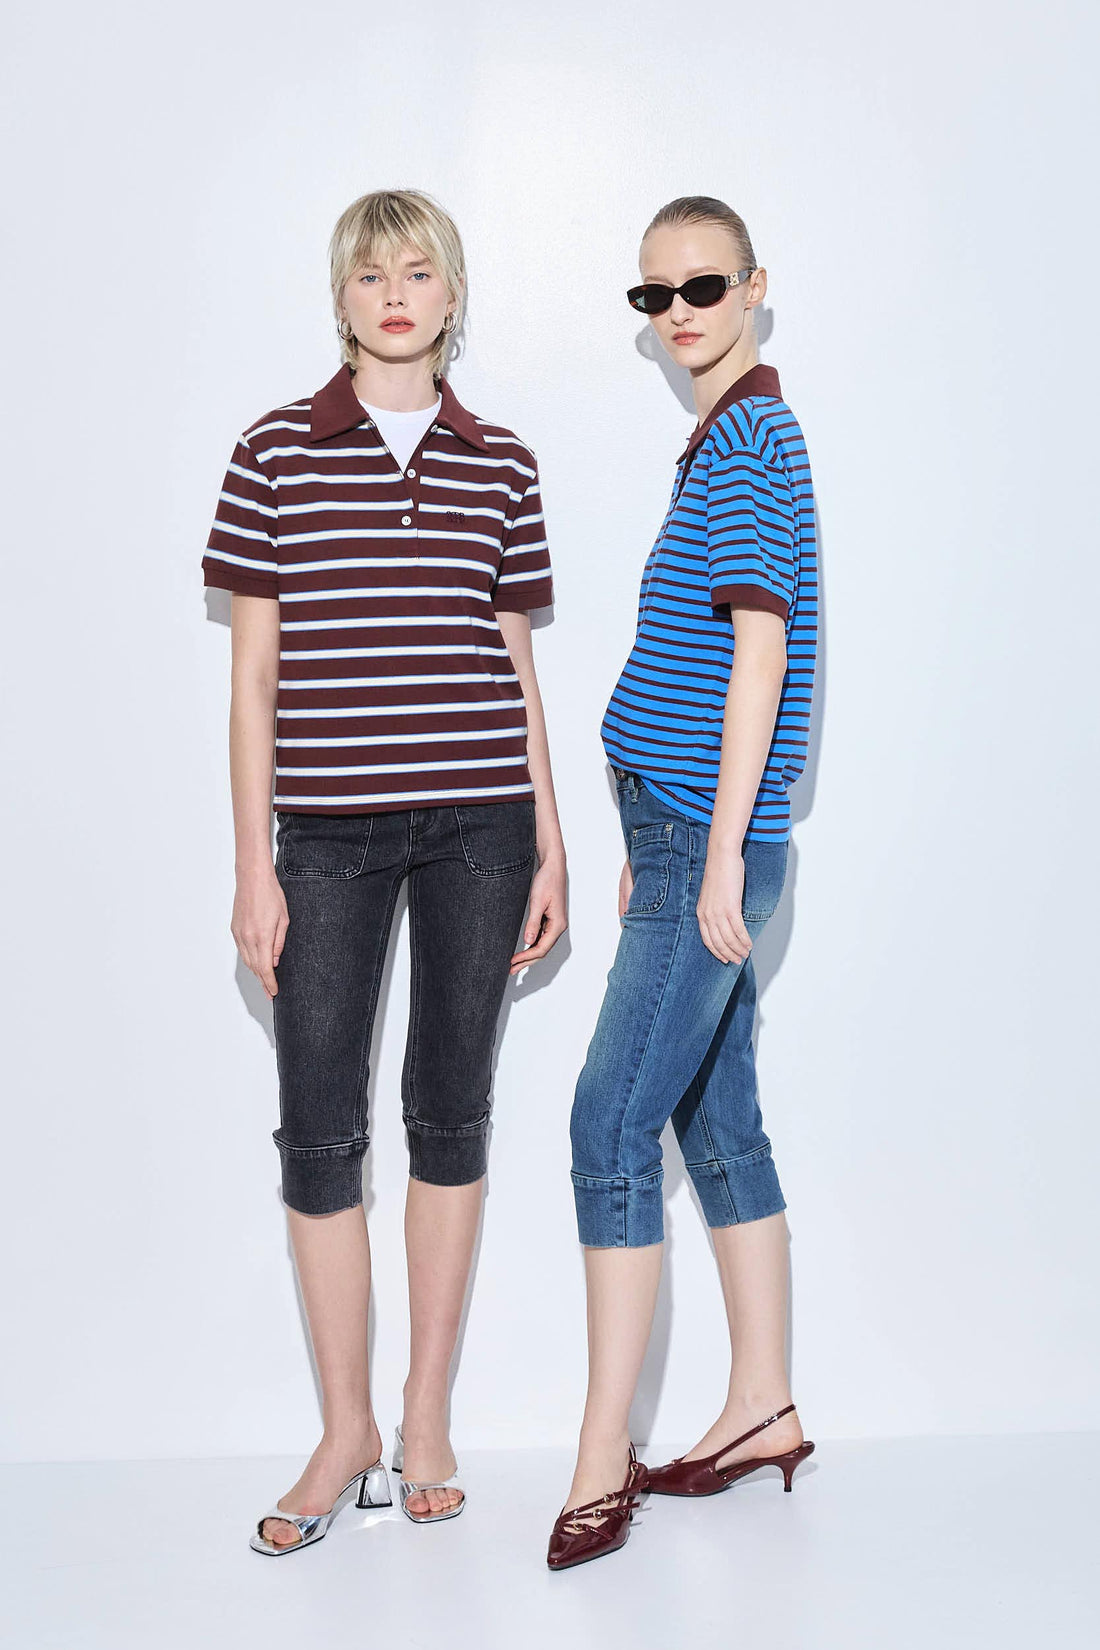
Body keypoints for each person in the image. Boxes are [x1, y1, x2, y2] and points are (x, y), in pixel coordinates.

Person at [201, 188, 566, 1554]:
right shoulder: (274, 449)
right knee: (319, 1132)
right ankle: (343, 1425)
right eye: (372, 275)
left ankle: (424, 1416)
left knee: (450, 1117)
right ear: (342, 297)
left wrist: (552, 839)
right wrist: (255, 863)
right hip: (327, 834)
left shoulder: (503, 461)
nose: (396, 294)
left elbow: (515, 665)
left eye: (419, 272)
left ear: (451, 294)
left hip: (481, 824)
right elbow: (252, 678)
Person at [547, 196, 818, 1571]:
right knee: (718, 1123)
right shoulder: (724, 436)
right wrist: (654, 836)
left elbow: (760, 651)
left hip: (708, 840)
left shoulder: (752, 438)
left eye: (703, 286)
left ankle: (604, 1451)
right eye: (653, 295)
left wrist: (709, 852)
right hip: (680, 833)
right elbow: (701, 665)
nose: (679, 314)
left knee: (609, 1124)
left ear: (754, 287)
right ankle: (764, 1405)